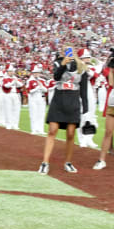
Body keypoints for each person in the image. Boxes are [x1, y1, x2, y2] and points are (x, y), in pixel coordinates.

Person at [38, 46, 89, 175]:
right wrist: (63, 64)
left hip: (73, 101)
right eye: (65, 51)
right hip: (59, 100)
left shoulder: (81, 67)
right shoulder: (57, 62)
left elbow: (84, 89)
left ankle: (68, 162)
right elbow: (56, 77)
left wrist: (86, 108)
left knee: (71, 133)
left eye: (70, 51)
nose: (67, 53)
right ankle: (45, 162)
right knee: (52, 130)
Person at [77, 48, 99, 148]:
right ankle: (82, 139)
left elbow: (94, 74)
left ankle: (89, 138)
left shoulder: (91, 67)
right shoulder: (77, 67)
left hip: (89, 89)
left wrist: (87, 67)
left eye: (88, 57)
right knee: (82, 115)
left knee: (92, 116)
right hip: (80, 89)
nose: (88, 59)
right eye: (85, 58)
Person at [26, 64, 47, 135]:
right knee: (33, 114)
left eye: (38, 72)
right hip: (33, 99)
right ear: (32, 73)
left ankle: (41, 129)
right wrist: (37, 87)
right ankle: (34, 129)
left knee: (41, 114)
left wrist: (41, 87)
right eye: (35, 72)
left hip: (41, 98)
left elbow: (46, 90)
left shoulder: (42, 80)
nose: (36, 74)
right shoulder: (30, 81)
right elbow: (29, 91)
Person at [0, 64, 23, 130]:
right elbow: (6, 86)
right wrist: (13, 81)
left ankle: (15, 124)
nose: (11, 72)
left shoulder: (15, 78)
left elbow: (20, 85)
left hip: (15, 94)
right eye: (10, 71)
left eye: (12, 71)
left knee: (16, 110)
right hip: (8, 94)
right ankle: (8, 124)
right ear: (7, 72)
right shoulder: (5, 78)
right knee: (8, 109)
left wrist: (16, 81)